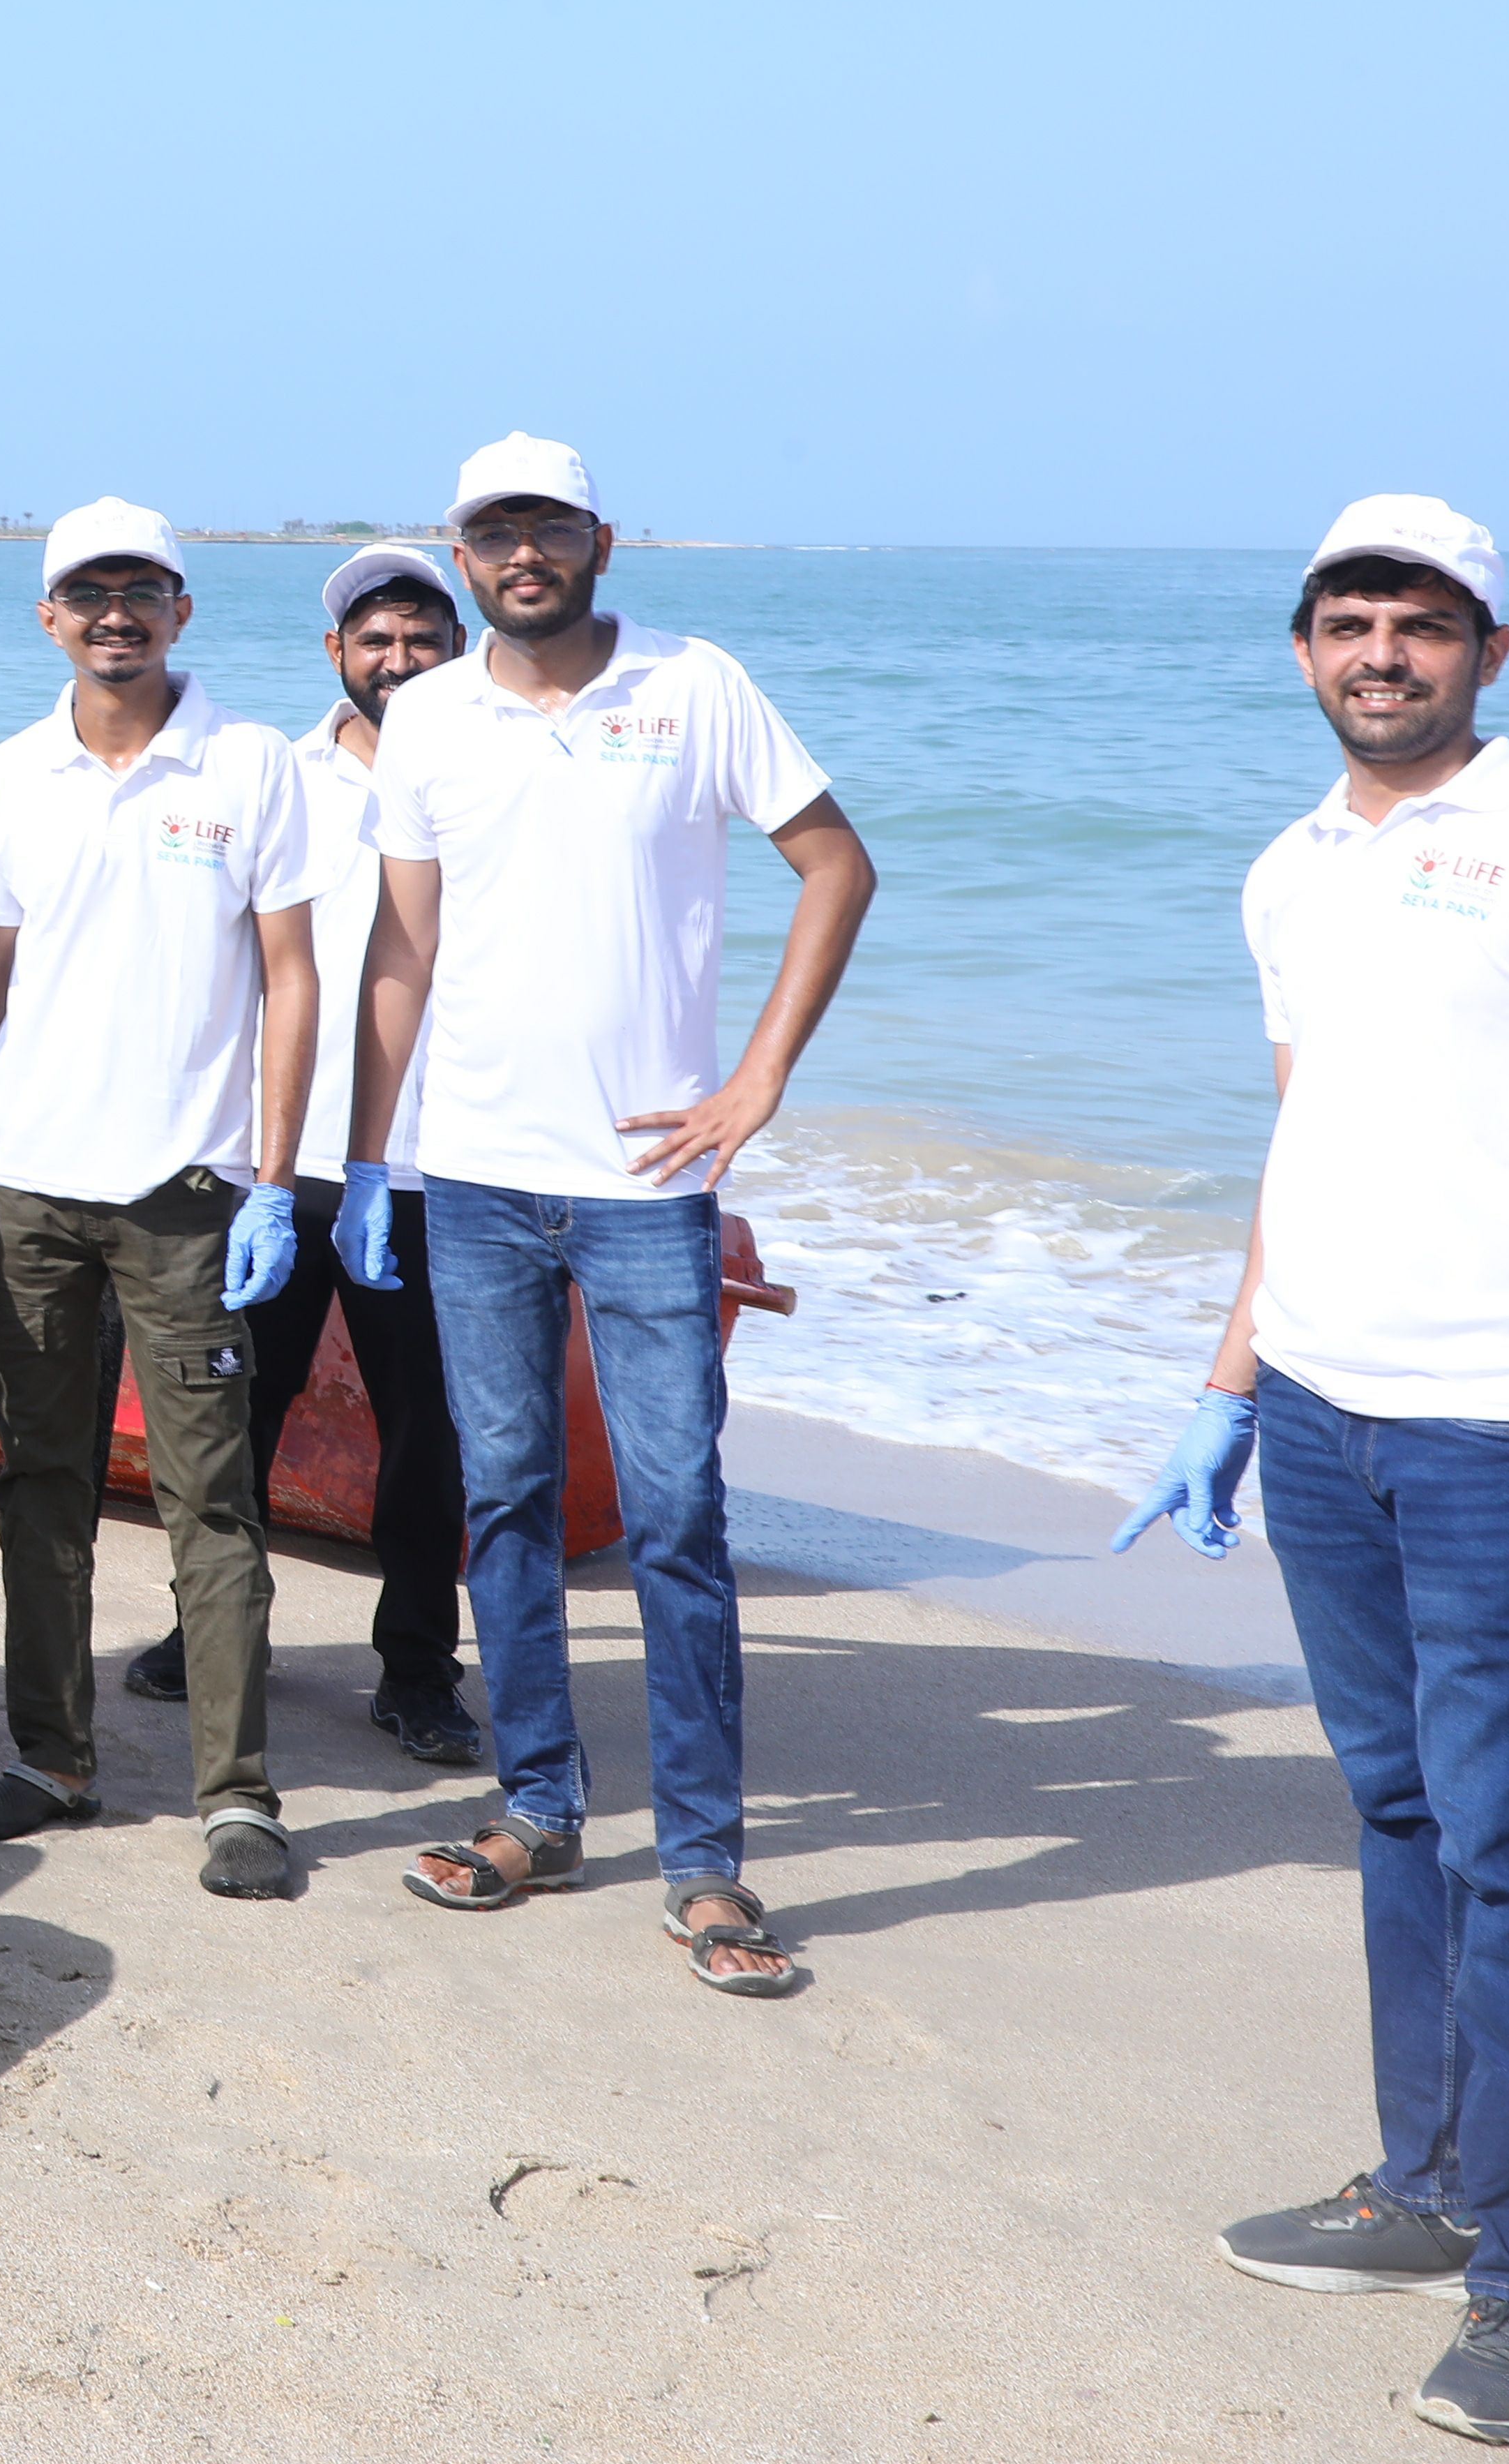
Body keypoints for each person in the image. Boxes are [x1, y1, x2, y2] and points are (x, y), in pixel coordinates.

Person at [1116, 496, 1509, 2448]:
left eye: (1423, 623)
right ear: (1303, 648)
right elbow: (1308, 1139)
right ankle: (1428, 2185)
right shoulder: (1290, 870)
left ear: (1488, 652)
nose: (1383, 652)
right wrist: (1230, 1381)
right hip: (1317, 1409)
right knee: (1393, 1808)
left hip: (1501, 1427)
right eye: (1349, 620)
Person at [345, 431, 874, 1995]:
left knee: (678, 1517)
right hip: (476, 1180)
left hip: (651, 1185)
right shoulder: (429, 714)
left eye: (551, 527)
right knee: (505, 1498)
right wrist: (371, 1160)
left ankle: (705, 1861)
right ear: (462, 555)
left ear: (600, 540)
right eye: (495, 532)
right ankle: (538, 1810)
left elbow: (835, 867)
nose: (525, 554)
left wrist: (756, 1080)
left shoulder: (696, 685)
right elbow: (401, 949)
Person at [0, 500, 318, 1899]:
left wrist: (276, 1178)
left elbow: (292, 976)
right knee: (40, 1482)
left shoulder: (252, 761)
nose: (116, 613)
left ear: (181, 610)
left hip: (187, 1190)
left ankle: (239, 1795)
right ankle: (53, 1761)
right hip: (29, 1184)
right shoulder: (7, 775)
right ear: (50, 618)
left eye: (143, 588)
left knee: (211, 1497)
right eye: (89, 592)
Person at [126, 542, 481, 1771]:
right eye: (376, 639)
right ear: (336, 653)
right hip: (271, 1163)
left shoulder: (495, 779)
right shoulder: (277, 777)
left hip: (437, 1167)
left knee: (429, 1435)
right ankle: (214, 1633)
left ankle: (419, 1670)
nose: (400, 660)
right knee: (234, 1414)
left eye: (423, 637)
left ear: (460, 648)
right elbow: (210, 960)